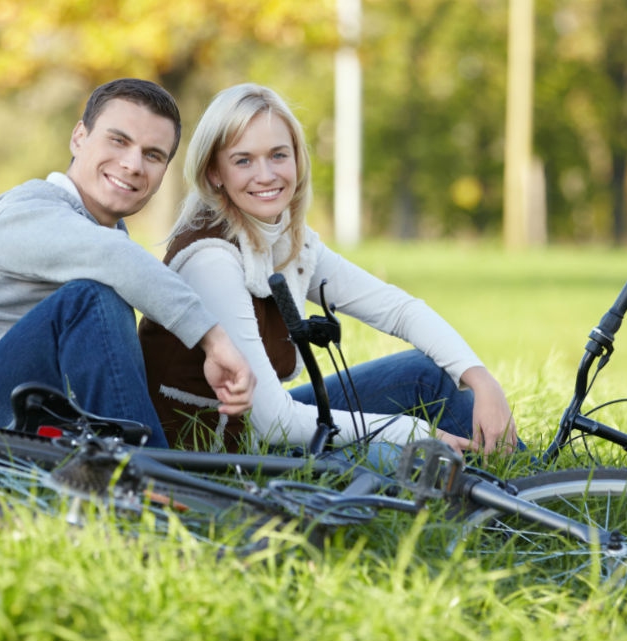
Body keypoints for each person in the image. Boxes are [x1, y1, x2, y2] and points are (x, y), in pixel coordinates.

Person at [138, 83, 518, 458]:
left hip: (258, 434)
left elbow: (397, 309)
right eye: (243, 160)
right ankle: (514, 494)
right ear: (215, 173)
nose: (266, 174)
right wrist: (410, 432)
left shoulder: (283, 239)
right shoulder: (211, 261)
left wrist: (481, 379)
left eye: (278, 155)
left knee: (425, 373)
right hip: (218, 457)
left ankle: (529, 478)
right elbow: (274, 422)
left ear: (297, 159)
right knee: (406, 460)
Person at [0, 78, 256, 448]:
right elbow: (112, 257)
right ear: (78, 137)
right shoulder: (25, 212)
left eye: (153, 155)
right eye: (118, 140)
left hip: (40, 415)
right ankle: (151, 475)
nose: (133, 164)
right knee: (91, 297)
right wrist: (214, 340)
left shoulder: (105, 235)